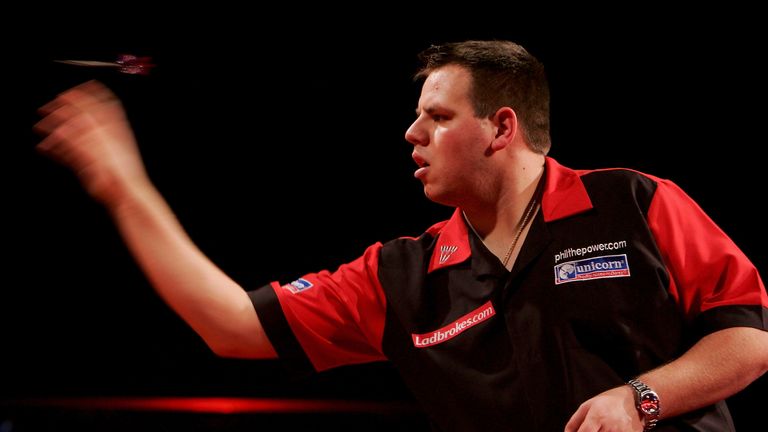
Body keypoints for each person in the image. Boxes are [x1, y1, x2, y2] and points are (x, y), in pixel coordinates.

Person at [34, 40, 768, 431]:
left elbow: (749, 340)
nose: (412, 133)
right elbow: (228, 324)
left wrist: (638, 401)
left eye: (439, 117)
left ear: (500, 128)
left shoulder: (634, 201)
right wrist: (122, 186)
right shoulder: (402, 277)